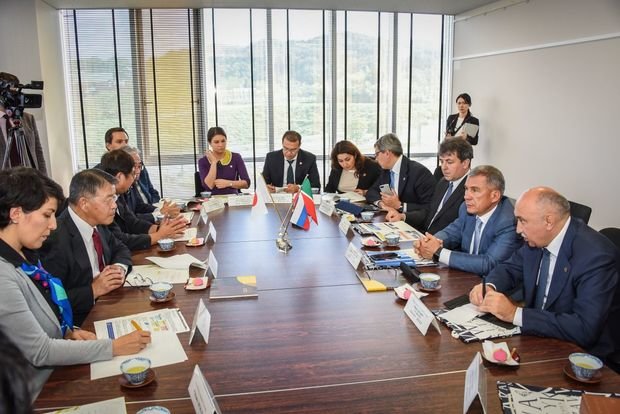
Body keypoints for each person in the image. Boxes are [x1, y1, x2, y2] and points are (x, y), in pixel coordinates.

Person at [0, 167, 150, 401]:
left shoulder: (23, 255)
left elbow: (41, 315)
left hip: (58, 368)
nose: (53, 225)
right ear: (16, 214)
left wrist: (69, 333)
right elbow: (40, 351)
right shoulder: (4, 273)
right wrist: (113, 347)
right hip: (34, 394)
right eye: (47, 215)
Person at [469, 188, 620, 363]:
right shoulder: (537, 239)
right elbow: (510, 267)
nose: (518, 229)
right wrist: (489, 285)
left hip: (584, 357)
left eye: (522, 221)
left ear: (548, 221)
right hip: (540, 335)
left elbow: (584, 329)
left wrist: (515, 313)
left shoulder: (596, 257)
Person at [39, 168, 132, 325]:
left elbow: (120, 248)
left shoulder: (97, 223)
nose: (114, 206)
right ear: (84, 203)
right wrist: (94, 289)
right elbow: (49, 301)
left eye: (114, 198)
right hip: (80, 322)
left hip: (108, 303)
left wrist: (119, 268)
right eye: (108, 199)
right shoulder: (54, 239)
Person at [414, 165, 520, 276]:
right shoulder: (466, 208)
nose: (466, 196)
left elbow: (489, 263)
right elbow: (451, 233)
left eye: (475, 190)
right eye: (466, 189)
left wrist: (439, 252)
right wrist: (429, 243)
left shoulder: (508, 222)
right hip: (466, 276)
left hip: (491, 283)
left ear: (495, 196)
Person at [100, 149, 186, 251]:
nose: (135, 177)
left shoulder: (118, 195)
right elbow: (121, 240)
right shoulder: (103, 203)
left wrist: (161, 229)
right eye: (132, 174)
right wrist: (159, 235)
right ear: (119, 177)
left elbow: (133, 223)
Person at [387, 137, 472, 233]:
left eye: (449, 162)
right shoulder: (442, 183)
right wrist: (403, 216)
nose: (444, 167)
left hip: (441, 239)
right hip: (422, 234)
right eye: (442, 161)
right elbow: (428, 212)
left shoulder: (472, 190)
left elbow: (460, 230)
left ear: (465, 163)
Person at [365, 133, 435, 215]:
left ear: (387, 153)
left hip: (410, 220)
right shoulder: (386, 170)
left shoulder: (419, 173)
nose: (376, 159)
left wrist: (400, 205)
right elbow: (372, 191)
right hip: (389, 217)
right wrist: (382, 204)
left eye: (377, 154)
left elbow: (429, 207)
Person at [0, 72, 47, 174]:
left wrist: (44, 180)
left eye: (16, 93)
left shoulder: (28, 118)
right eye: (10, 93)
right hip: (4, 181)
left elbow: (38, 153)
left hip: (29, 179)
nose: (14, 97)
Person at [122, 146, 180, 222]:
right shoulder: (117, 191)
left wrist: (161, 210)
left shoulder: (133, 184)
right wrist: (160, 213)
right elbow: (130, 220)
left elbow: (140, 206)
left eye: (139, 166)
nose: (137, 171)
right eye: (134, 166)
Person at [104, 127, 160, 203]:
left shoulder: (138, 164)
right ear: (108, 146)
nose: (124, 144)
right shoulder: (103, 171)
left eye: (126, 141)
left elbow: (152, 191)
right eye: (119, 142)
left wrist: (157, 207)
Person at [198, 127, 251, 195]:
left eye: (223, 141)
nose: (221, 145)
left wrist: (228, 183)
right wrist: (214, 162)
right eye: (216, 142)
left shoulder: (236, 157)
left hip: (232, 198)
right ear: (210, 143)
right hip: (212, 199)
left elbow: (246, 183)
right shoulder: (202, 161)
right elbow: (209, 186)